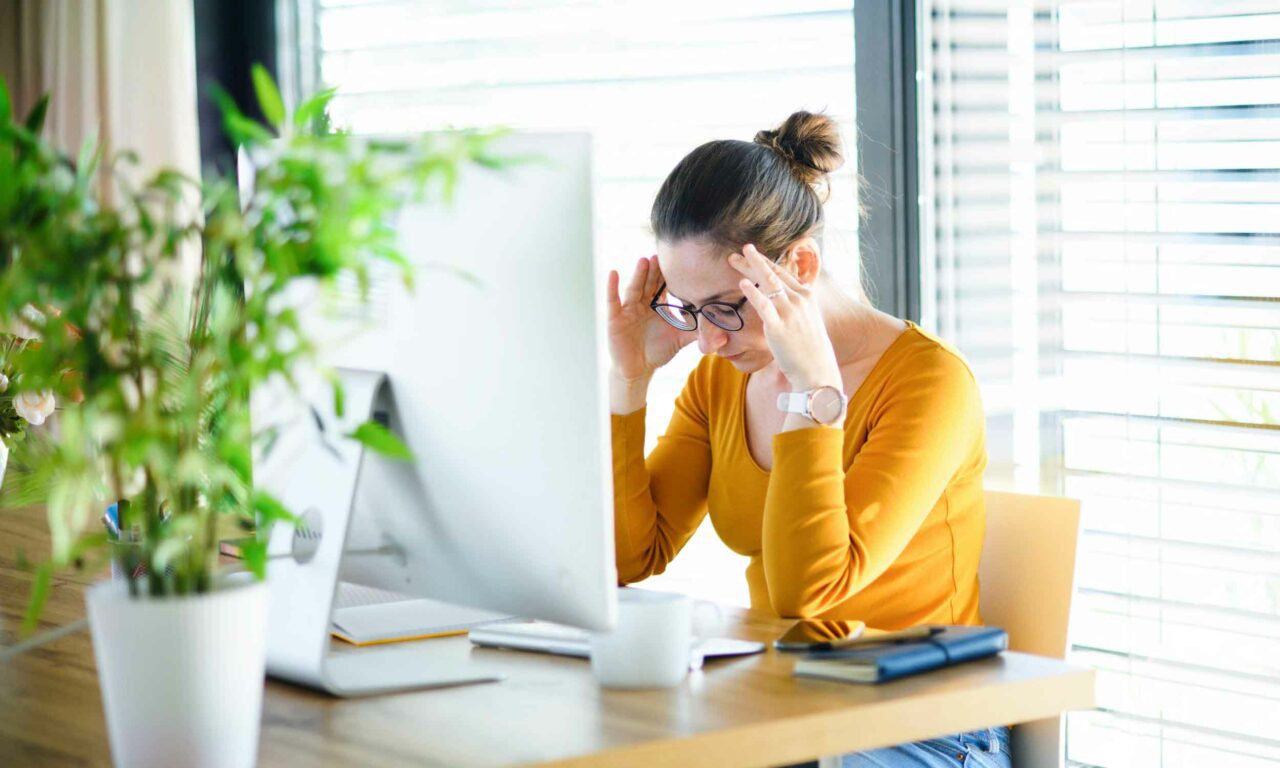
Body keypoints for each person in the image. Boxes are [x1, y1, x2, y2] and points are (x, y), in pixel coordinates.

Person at [604, 111, 1010, 768]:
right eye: (687, 308)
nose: (708, 340)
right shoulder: (720, 377)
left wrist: (813, 389)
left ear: (799, 265)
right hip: (788, 704)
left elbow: (808, 594)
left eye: (726, 307)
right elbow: (628, 560)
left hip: (929, 726)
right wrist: (629, 382)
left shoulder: (930, 383)